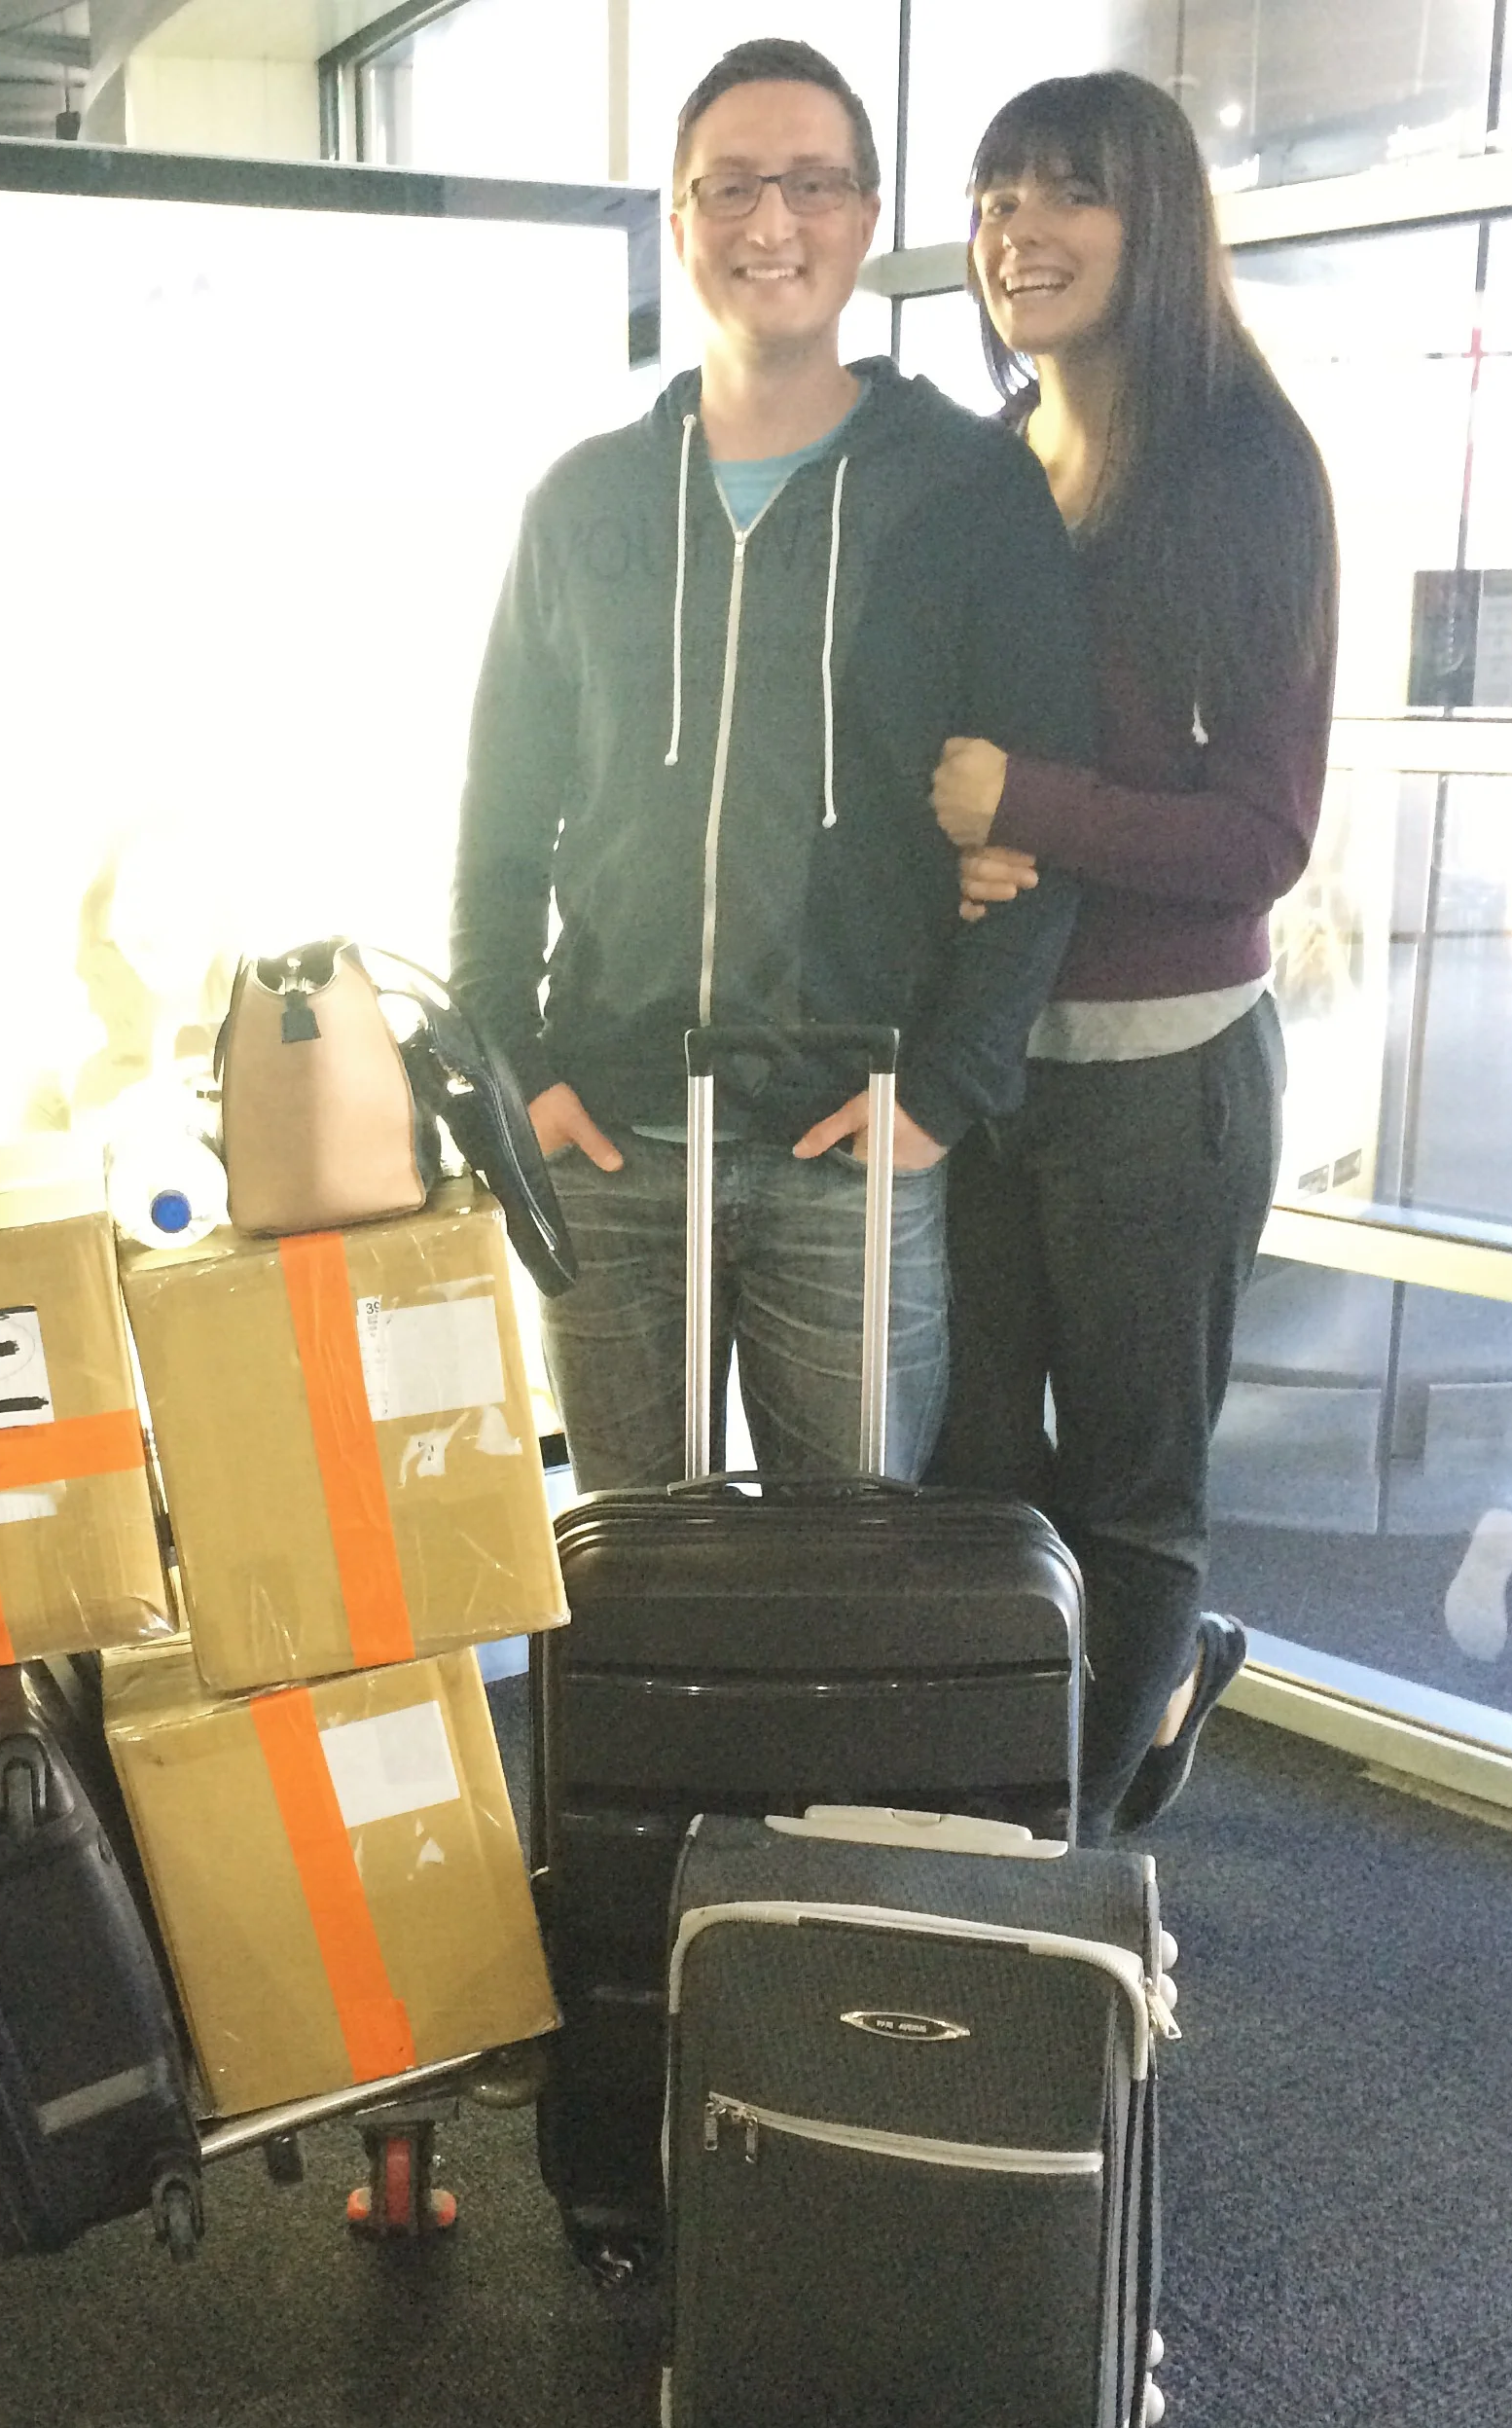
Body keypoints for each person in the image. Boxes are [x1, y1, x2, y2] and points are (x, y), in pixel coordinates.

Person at [450, 37, 1094, 1495]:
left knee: (850, 1575)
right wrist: (516, 1068)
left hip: (850, 1144)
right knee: (628, 1572)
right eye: (729, 188)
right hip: (610, 1140)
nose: (770, 225)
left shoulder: (968, 492)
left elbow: (1044, 810)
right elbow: (499, 819)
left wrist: (948, 1087)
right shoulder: (586, 500)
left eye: (811, 185)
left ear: (865, 216)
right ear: (677, 223)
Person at [925, 69, 1339, 1836]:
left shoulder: (1249, 470)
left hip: (1166, 1086)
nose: (1022, 227)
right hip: (997, 1067)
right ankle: (1050, 1769)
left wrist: (1032, 801)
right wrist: (953, 850)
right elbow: (948, 763)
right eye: (1000, 193)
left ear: (1152, 220)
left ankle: (1066, 1863)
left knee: (1131, 1496)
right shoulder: (1000, 460)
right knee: (978, 1475)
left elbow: (1262, 835)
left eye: (1068, 192)